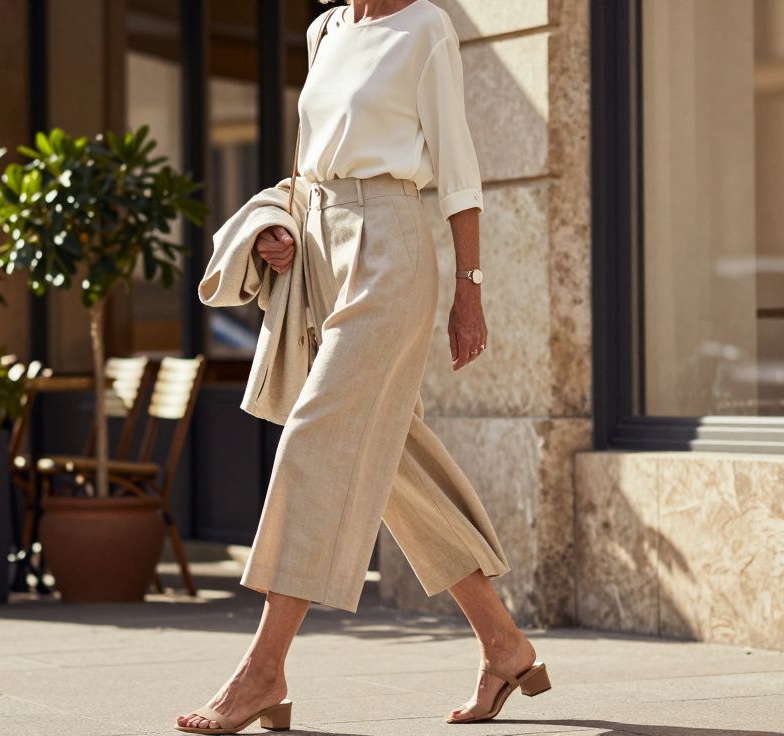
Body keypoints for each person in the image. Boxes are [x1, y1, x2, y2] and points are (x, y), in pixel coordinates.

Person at [176, 1, 549, 732]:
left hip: (392, 250)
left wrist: (469, 292)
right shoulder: (324, 30)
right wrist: (279, 230)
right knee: (394, 464)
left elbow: (459, 169)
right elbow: (307, 163)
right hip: (321, 250)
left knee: (320, 434)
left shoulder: (425, 27)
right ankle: (504, 646)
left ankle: (264, 670)